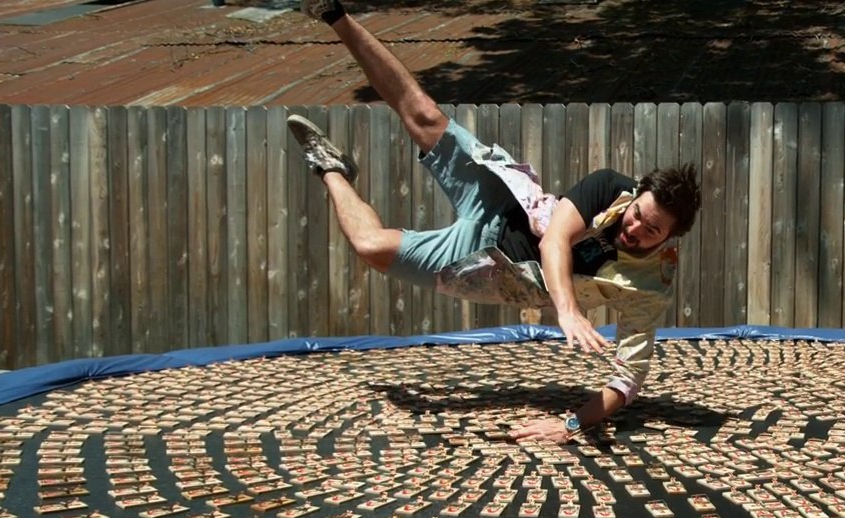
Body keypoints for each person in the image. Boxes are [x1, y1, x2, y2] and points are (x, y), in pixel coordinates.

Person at [288, 0, 701, 445]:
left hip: (489, 266)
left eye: (651, 231)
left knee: (369, 246)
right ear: (636, 195)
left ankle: (332, 170)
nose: (634, 229)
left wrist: (570, 426)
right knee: (425, 114)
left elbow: (628, 378)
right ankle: (333, 13)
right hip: (501, 200)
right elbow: (555, 240)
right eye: (637, 215)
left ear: (670, 239)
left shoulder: (649, 287)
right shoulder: (611, 187)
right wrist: (568, 311)